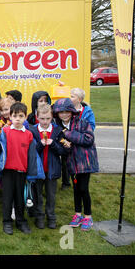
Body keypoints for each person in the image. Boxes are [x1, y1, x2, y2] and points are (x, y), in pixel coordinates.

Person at [0, 102, 40, 235]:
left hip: (22, 172)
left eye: (21, 116)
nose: (17, 119)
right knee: (7, 198)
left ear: (25, 118)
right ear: (10, 117)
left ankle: (20, 221)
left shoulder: (29, 135)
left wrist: (31, 174)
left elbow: (31, 156)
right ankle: (7, 221)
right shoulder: (5, 131)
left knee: (20, 198)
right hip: (7, 171)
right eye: (14, 116)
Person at [52, 98, 99, 231]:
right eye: (61, 112)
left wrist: (68, 134)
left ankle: (88, 217)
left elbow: (88, 139)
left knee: (84, 189)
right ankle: (78, 214)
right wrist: (64, 144)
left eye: (67, 111)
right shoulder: (59, 127)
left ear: (72, 112)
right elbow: (62, 146)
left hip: (85, 162)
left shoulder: (82, 123)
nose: (64, 115)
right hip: (72, 163)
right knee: (76, 189)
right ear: (57, 114)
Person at [28, 104, 67, 229]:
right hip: (38, 170)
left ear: (52, 118)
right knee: (37, 195)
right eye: (42, 119)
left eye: (48, 119)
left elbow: (62, 151)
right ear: (37, 117)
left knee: (51, 196)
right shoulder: (32, 130)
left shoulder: (57, 131)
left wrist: (53, 145)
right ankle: (39, 217)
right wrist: (40, 144)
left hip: (52, 170)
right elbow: (30, 151)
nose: (45, 122)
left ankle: (51, 217)